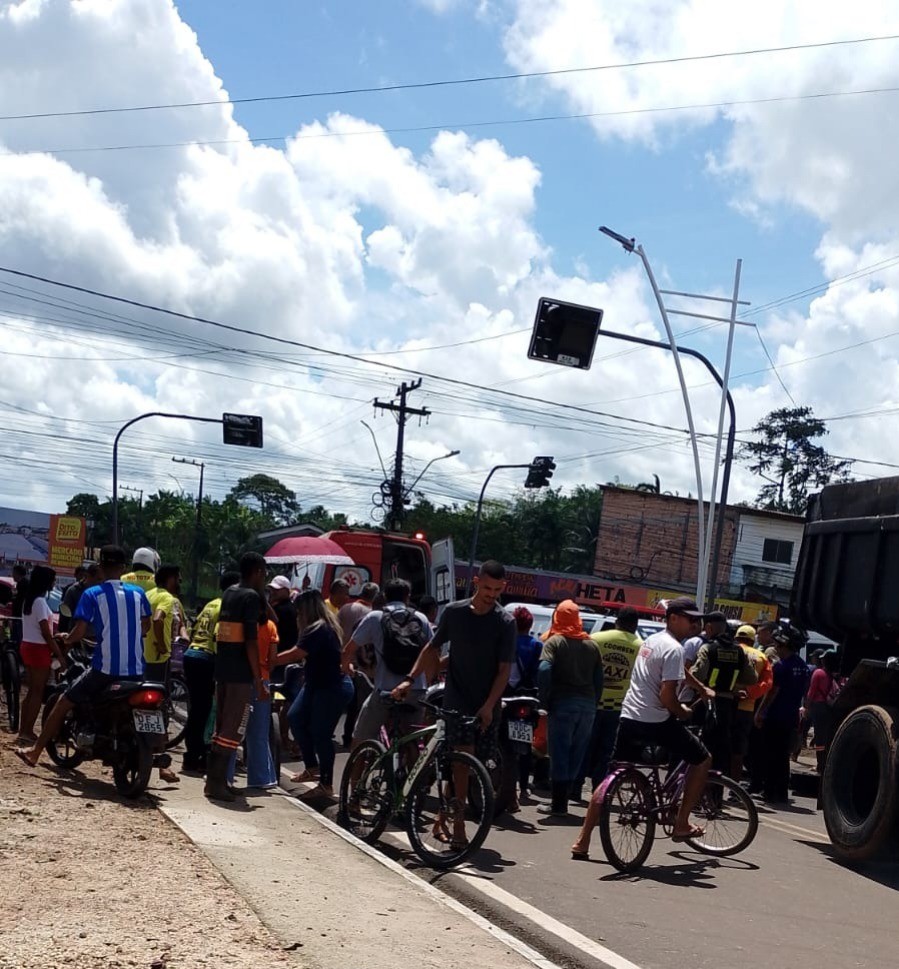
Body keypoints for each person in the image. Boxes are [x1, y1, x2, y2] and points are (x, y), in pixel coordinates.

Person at [570, 597, 714, 860]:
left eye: (697, 620)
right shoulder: (674, 649)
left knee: (609, 777)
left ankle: (582, 840)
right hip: (655, 721)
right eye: (690, 619)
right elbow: (667, 696)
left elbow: (677, 671)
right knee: (703, 759)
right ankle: (681, 822)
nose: (695, 624)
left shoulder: (653, 641)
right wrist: (683, 711)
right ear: (672, 618)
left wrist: (699, 687)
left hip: (628, 717)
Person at [393, 560, 515, 849]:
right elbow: (432, 648)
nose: (491, 594)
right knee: (462, 760)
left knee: (468, 767)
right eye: (487, 588)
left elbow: (504, 671)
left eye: (497, 590)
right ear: (476, 582)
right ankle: (458, 827)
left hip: (487, 703)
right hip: (457, 698)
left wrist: (488, 706)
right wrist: (410, 679)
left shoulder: (505, 622)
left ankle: (441, 817)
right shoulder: (455, 612)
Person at [16, 546, 151, 769]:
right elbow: (145, 626)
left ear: (100, 567)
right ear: (123, 568)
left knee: (63, 701)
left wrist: (66, 639)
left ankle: (35, 751)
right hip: (136, 669)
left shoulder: (92, 594)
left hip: (104, 669)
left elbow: (78, 631)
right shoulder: (138, 593)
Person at [207, 552, 269, 802]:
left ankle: (217, 781)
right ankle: (216, 784)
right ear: (258, 572)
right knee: (234, 728)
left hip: (223, 669)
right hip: (241, 674)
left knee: (221, 726)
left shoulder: (230, 593)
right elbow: (251, 642)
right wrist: (257, 679)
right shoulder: (251, 597)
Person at [343, 578, 431, 753]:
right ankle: (414, 777)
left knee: (361, 738)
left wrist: (347, 668)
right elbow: (432, 653)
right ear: (408, 597)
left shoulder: (375, 617)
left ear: (384, 596)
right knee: (412, 739)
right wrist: (423, 682)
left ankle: (353, 779)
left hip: (385, 690)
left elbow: (348, 650)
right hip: (416, 689)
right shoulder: (421, 618)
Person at [284, 589, 354, 798]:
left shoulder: (319, 628)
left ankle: (326, 783)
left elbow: (296, 653)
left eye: (298, 611)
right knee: (295, 718)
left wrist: (269, 661)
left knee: (321, 734)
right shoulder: (315, 628)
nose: (297, 615)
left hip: (332, 687)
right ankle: (312, 767)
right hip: (316, 684)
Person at [536, 600, 603, 817]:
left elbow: (544, 669)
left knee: (560, 752)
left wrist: (543, 699)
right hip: (588, 707)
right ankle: (564, 800)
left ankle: (558, 806)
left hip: (562, 704)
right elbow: (599, 679)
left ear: (558, 618)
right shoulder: (592, 645)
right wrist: (594, 702)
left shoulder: (554, 642)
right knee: (577, 752)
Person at [579, 606, 643, 794]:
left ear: (617, 621)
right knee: (607, 750)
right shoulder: (641, 646)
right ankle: (600, 788)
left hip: (592, 701)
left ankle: (575, 785)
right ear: (635, 625)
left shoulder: (596, 639)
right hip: (619, 707)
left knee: (585, 745)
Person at [181, 571, 239, 774]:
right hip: (206, 658)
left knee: (197, 710)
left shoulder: (211, 603)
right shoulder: (227, 606)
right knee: (205, 712)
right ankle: (198, 757)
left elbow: (196, 628)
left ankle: (190, 756)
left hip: (192, 654)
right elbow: (217, 638)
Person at [690, 614, 757, 774]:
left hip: (707, 703)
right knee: (722, 750)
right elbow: (752, 678)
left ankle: (698, 789)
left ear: (709, 628)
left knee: (702, 748)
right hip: (728, 706)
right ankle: (716, 794)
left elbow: (697, 674)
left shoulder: (708, 648)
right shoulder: (739, 651)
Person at [754, 624, 810, 804]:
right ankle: (781, 792)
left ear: (784, 646)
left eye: (778, 645)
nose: (776, 648)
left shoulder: (780, 666)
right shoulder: (802, 666)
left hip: (775, 716)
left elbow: (772, 692)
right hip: (791, 716)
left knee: (770, 754)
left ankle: (769, 792)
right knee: (782, 756)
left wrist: (761, 711)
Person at [227, 608, 280, 791]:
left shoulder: (239, 626)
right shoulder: (270, 626)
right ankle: (261, 778)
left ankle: (226, 775)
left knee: (232, 728)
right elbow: (273, 659)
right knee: (259, 732)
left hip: (240, 678)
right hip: (263, 680)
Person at [16, 565, 66, 745]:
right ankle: (28, 731)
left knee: (30, 691)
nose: (54, 583)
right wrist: (59, 654)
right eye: (52, 580)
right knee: (37, 692)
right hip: (39, 649)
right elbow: (46, 633)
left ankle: (23, 730)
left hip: (27, 645)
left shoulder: (29, 601)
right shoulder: (40, 602)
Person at [337, 581, 380, 746]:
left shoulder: (345, 608)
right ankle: (357, 740)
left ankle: (347, 736)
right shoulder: (370, 613)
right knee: (361, 705)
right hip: (360, 664)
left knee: (349, 704)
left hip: (343, 660)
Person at [730, 624, 772, 783]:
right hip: (746, 708)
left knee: (718, 746)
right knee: (738, 750)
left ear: (736, 637)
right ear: (752, 639)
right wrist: (750, 694)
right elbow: (767, 683)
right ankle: (735, 787)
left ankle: (712, 789)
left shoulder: (728, 651)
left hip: (724, 703)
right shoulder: (760, 656)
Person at [144, 564, 185, 682]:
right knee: (162, 695)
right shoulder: (167, 597)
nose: (179, 583)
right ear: (171, 579)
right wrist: (162, 646)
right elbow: (157, 619)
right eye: (178, 580)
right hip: (159, 658)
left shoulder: (148, 594)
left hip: (143, 655)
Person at [804, 649, 843, 773]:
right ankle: (826, 763)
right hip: (830, 707)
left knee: (820, 738)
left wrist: (806, 708)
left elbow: (811, 692)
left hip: (818, 706)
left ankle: (820, 765)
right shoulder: (836, 675)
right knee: (827, 736)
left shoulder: (819, 673)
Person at [58, 562, 101, 637]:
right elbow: (64, 615)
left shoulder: (102, 592)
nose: (100, 582)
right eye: (98, 579)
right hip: (76, 638)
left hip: (97, 638)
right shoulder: (74, 591)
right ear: (88, 576)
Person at [508, 606, 542, 693]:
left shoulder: (507, 642)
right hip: (526, 689)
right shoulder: (537, 645)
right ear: (530, 625)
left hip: (505, 688)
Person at [10, 563, 29, 649]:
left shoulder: (23, 584)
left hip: (20, 617)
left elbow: (20, 601)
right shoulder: (22, 583)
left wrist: (14, 596)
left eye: (13, 573)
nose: (12, 575)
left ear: (18, 574)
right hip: (19, 616)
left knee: (18, 638)